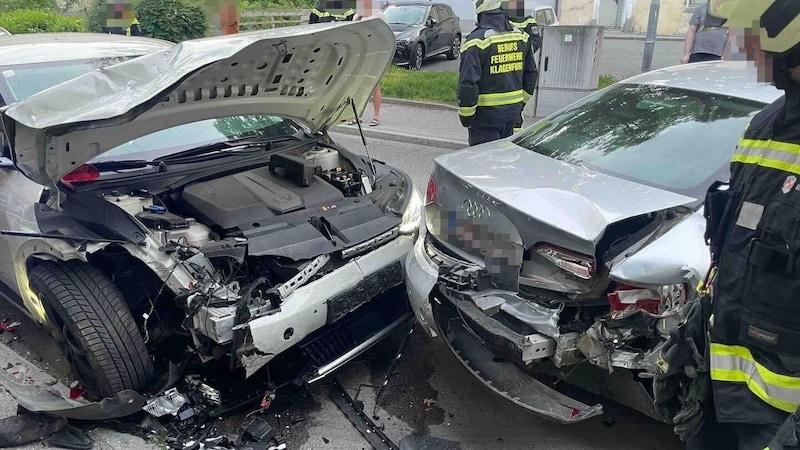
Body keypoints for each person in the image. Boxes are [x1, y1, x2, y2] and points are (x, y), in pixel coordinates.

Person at [654, 1, 800, 449]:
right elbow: (739, 245)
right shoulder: (767, 124)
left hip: (779, 421)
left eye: (752, 34)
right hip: (722, 388)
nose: (743, 46)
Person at [458, 0, 538, 146]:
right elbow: (531, 75)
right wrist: (520, 103)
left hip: (485, 120)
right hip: (513, 117)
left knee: (485, 163)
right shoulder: (521, 36)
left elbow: (468, 84)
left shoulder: (475, 42)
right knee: (510, 161)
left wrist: (466, 118)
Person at [347, 9, 387, 127]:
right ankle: (357, 115)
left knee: (375, 85)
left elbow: (384, 35)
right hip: (361, 54)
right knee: (357, 86)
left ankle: (376, 116)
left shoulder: (379, 15)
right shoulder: (357, 16)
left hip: (376, 54)